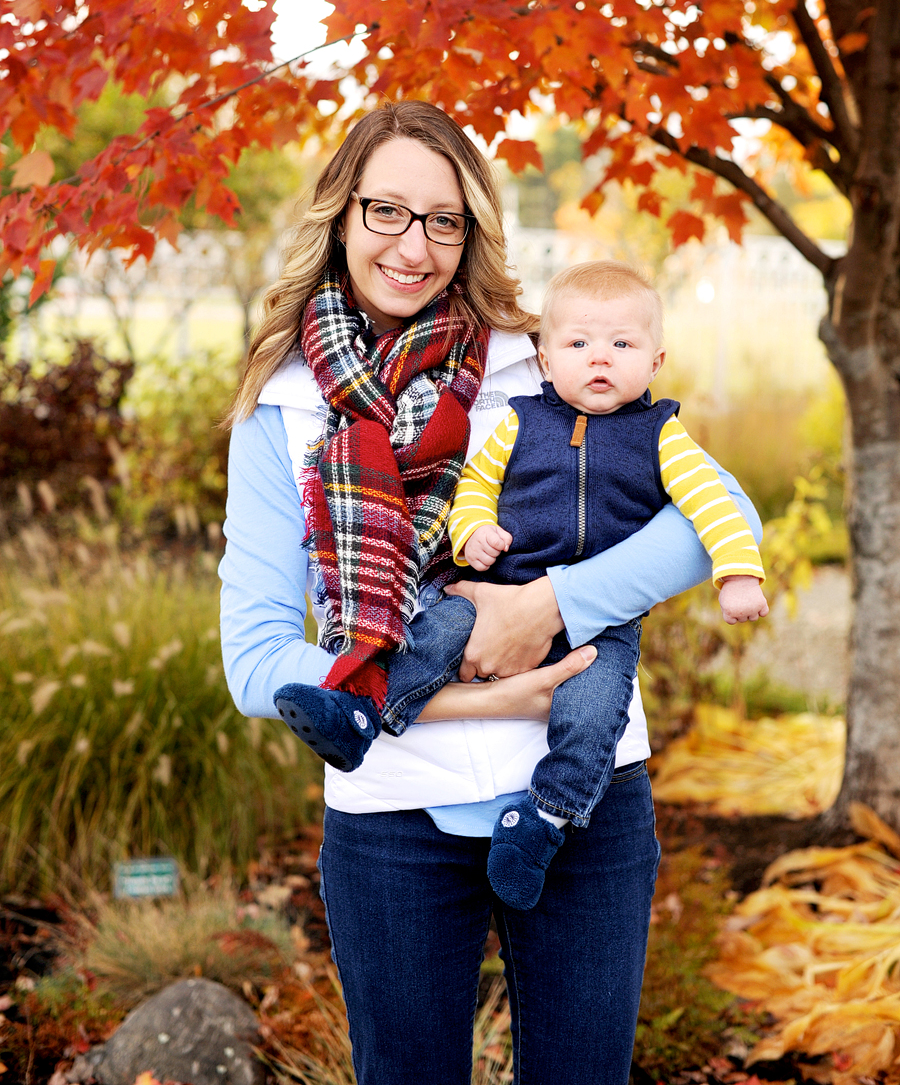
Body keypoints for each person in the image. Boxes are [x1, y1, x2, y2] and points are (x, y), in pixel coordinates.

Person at [219, 101, 763, 1085]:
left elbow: (718, 518)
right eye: (387, 211)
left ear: (470, 231)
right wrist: (487, 688)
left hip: (583, 801)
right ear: (342, 215)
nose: (413, 246)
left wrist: (549, 607)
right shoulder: (281, 406)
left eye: (443, 220)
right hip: (392, 817)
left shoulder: (539, 360)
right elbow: (257, 661)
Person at [273, 259, 768, 910]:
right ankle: (362, 710)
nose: (600, 358)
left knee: (593, 717)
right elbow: (474, 484)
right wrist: (471, 531)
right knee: (434, 632)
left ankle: (545, 819)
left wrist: (736, 573)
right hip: (498, 587)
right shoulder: (520, 420)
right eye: (579, 343)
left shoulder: (660, 435)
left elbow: (714, 503)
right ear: (545, 358)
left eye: (623, 344)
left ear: (655, 360)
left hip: (600, 622)